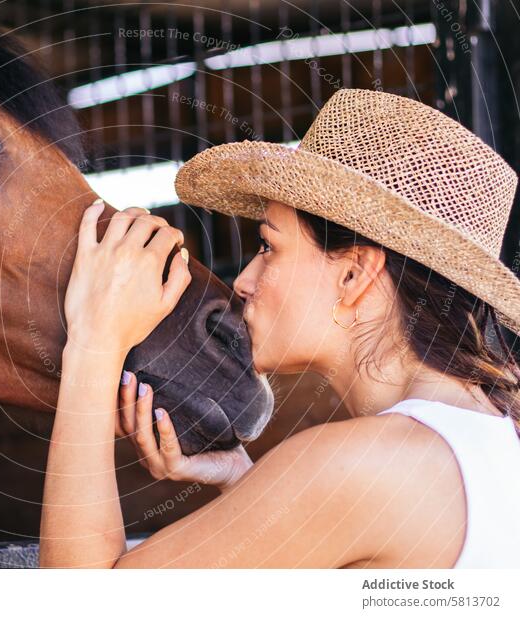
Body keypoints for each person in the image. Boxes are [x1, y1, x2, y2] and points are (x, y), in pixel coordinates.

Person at [38, 88, 520, 568]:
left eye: (269, 247)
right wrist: (244, 482)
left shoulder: (359, 467)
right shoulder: (492, 442)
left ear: (353, 277)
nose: (243, 281)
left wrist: (93, 341)